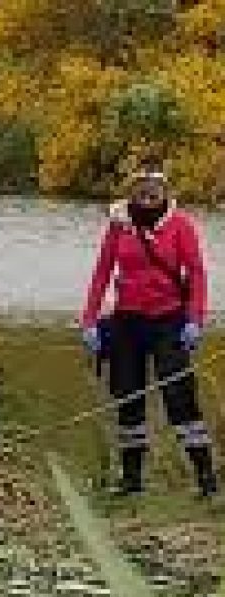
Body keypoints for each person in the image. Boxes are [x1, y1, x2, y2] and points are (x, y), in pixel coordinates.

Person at [80, 163, 217, 497]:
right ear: (133, 189)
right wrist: (89, 321)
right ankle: (131, 480)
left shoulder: (180, 225)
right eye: (141, 188)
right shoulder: (119, 226)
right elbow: (101, 274)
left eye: (154, 189)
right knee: (128, 396)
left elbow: (197, 274)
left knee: (178, 396)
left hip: (169, 321)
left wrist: (195, 320)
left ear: (165, 191)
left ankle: (205, 477)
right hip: (127, 322)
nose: (147, 194)